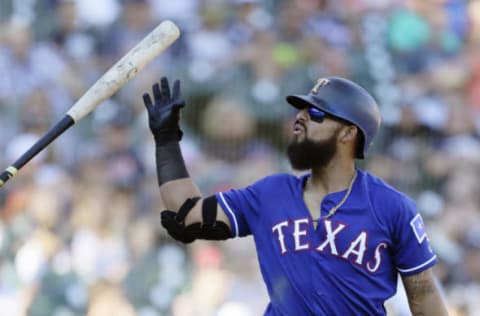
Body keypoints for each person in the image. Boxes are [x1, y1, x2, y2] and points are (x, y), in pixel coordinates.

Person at [142, 76, 449, 315]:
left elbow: (424, 294)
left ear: (348, 133)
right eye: (300, 110)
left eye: (315, 112)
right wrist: (167, 140)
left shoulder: (392, 207)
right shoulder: (271, 193)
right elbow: (187, 215)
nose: (300, 117)